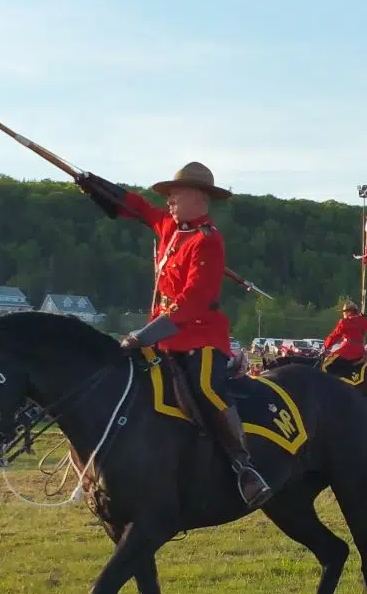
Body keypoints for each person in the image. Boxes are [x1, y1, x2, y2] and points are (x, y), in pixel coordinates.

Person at [74, 161, 271, 507]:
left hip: (201, 336)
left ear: (198, 198)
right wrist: (93, 185)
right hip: (163, 337)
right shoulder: (169, 226)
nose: (168, 201)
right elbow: (137, 207)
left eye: (175, 195)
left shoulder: (208, 241)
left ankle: (243, 465)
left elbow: (194, 302)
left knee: (207, 389)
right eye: (168, 196)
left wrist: (145, 334)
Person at [320, 301, 367, 375]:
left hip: (347, 350)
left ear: (348, 312)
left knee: (326, 364)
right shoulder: (363, 320)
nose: (343, 313)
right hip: (360, 352)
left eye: (344, 311)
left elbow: (334, 336)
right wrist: (365, 316)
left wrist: (325, 346)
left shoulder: (344, 322)